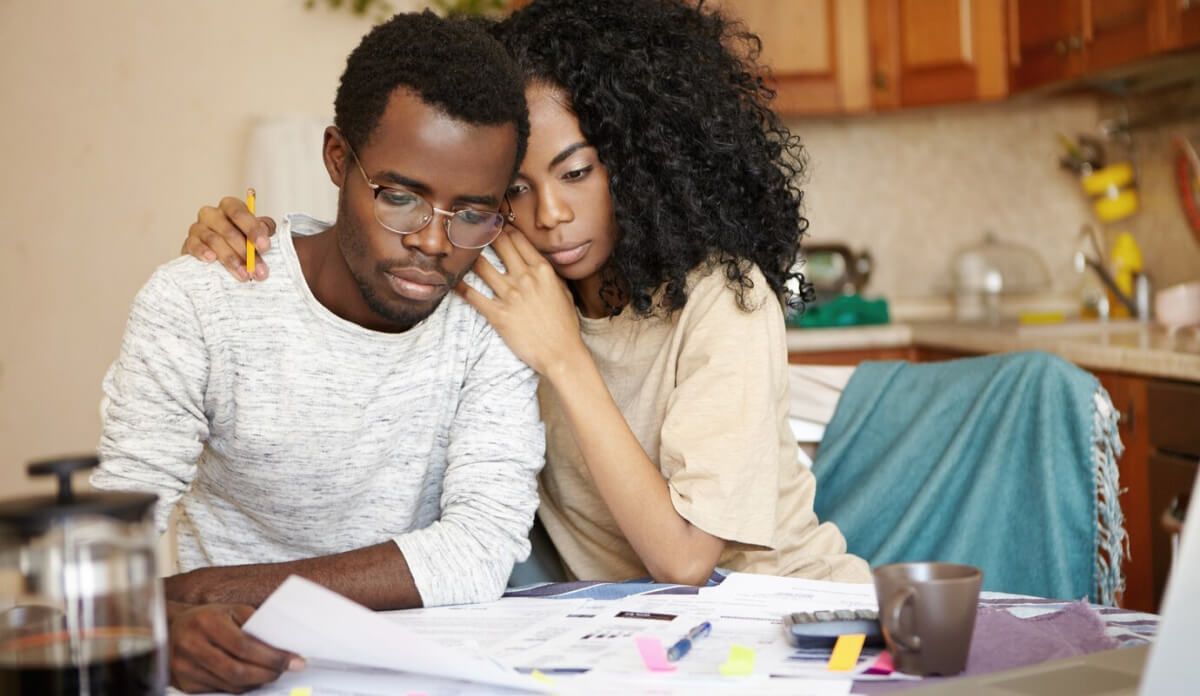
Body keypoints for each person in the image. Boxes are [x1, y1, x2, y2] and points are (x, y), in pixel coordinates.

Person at [183, 0, 870, 589]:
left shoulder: (721, 299)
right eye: (517, 187)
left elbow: (687, 560)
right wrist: (241, 252)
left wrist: (563, 357)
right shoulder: (500, 279)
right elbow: (355, 313)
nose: (550, 215)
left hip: (791, 621)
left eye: (577, 173)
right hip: (624, 638)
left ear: (637, 159)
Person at [95, 12, 543, 694]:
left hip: (420, 674)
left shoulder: (491, 315)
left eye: (472, 214)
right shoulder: (200, 302)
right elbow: (108, 550)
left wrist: (190, 591)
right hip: (228, 673)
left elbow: (479, 548)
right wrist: (153, 620)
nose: (433, 242)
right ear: (337, 158)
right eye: (401, 197)